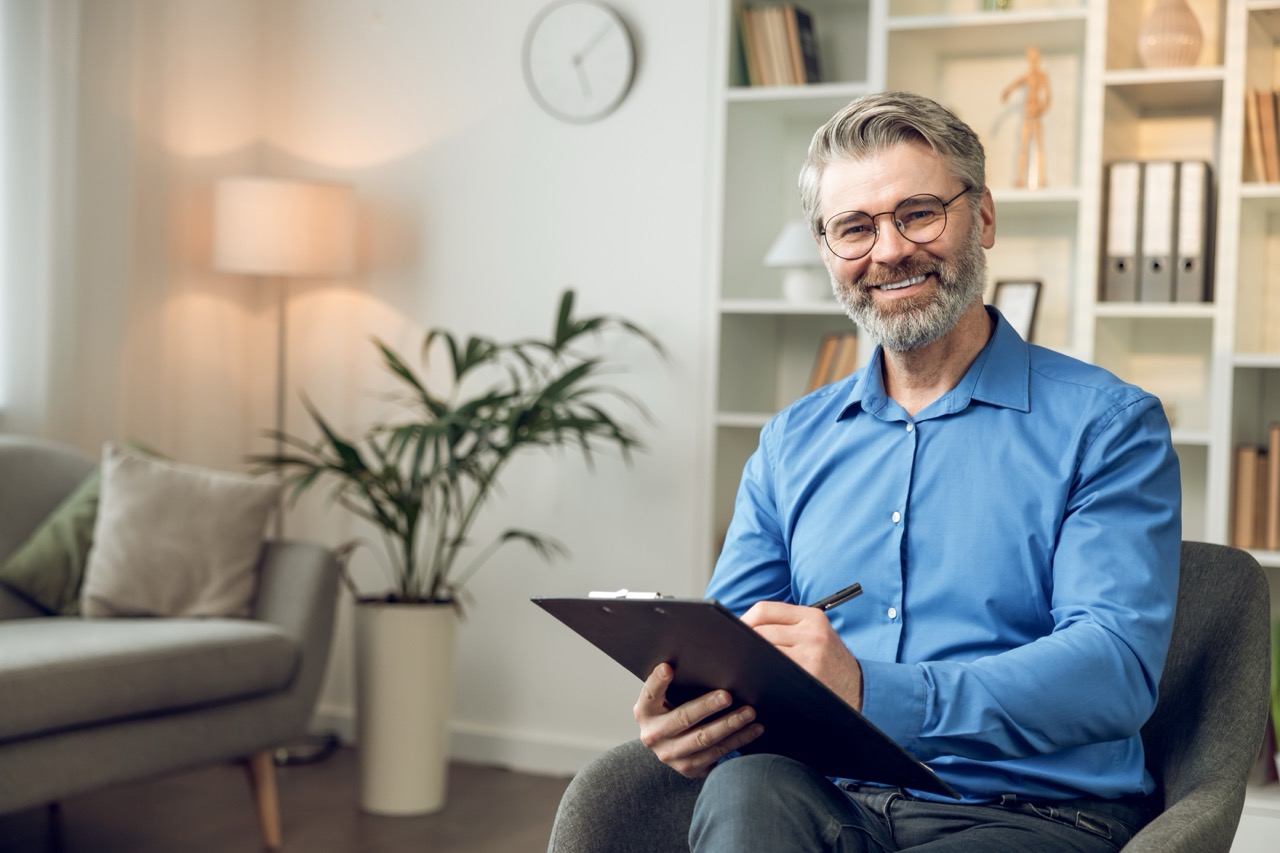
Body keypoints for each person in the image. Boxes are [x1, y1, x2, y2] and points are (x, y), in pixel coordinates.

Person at [634, 91, 1181, 851]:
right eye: (855, 227)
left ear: (982, 217)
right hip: (825, 798)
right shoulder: (792, 441)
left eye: (918, 213)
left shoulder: (1108, 425)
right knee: (745, 786)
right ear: (828, 251)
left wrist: (869, 690)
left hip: (1030, 816)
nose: (888, 250)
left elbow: (1112, 670)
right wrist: (693, 712)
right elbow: (735, 647)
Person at [1002, 46, 1051, 189]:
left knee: (1039, 145)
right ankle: (1020, 178)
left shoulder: (1042, 76)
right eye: (1031, 58)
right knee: (1023, 146)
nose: (1033, 61)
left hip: (1035, 113)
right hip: (1027, 113)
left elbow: (1048, 97)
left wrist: (1040, 108)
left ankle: (1042, 178)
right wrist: (1007, 92)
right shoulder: (1027, 76)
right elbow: (1014, 84)